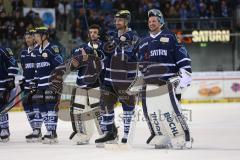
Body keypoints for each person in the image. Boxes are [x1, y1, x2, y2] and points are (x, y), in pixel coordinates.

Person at [138, 9, 192, 148]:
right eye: (149, 21)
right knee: (153, 113)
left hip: (168, 84)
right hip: (150, 85)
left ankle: (180, 137)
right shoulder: (143, 42)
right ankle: (161, 135)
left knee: (170, 113)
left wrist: (184, 76)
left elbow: (183, 58)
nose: (151, 23)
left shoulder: (171, 37)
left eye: (154, 21)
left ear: (161, 22)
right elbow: (141, 66)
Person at [95, 10, 139, 145]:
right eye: (116, 20)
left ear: (126, 21)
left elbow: (128, 55)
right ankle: (110, 134)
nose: (117, 22)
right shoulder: (112, 36)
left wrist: (114, 46)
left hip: (126, 79)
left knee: (127, 106)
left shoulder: (134, 36)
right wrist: (98, 50)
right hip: (109, 78)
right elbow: (107, 55)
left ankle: (127, 134)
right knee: (105, 105)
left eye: (119, 20)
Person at [68, 24, 105, 144]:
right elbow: (72, 67)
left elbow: (106, 62)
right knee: (79, 112)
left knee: (98, 112)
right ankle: (84, 136)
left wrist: (94, 56)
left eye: (95, 32)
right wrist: (75, 63)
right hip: (81, 85)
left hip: (96, 85)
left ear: (98, 34)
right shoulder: (79, 49)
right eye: (91, 32)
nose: (92, 34)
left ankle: (105, 135)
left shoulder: (104, 47)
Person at [32, 26, 64, 144]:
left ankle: (51, 132)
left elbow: (60, 66)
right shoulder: (36, 51)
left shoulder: (52, 49)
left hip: (51, 84)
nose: (35, 37)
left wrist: (57, 81)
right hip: (40, 84)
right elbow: (37, 69)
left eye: (37, 35)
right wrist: (34, 81)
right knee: (42, 109)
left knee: (51, 108)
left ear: (44, 36)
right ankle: (50, 131)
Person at [19, 29, 43, 142]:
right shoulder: (23, 53)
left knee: (37, 105)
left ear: (34, 38)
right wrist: (23, 80)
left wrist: (36, 81)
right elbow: (25, 69)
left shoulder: (39, 51)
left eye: (30, 37)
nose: (28, 40)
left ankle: (37, 130)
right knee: (26, 105)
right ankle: (34, 129)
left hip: (37, 84)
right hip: (27, 85)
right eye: (26, 38)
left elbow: (41, 68)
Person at [0, 46, 18, 142]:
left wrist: (11, 78)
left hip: (2, 82)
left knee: (1, 106)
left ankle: (4, 129)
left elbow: (13, 63)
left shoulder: (3, 50)